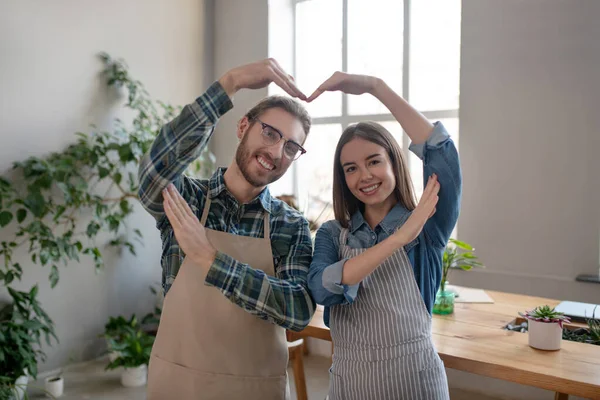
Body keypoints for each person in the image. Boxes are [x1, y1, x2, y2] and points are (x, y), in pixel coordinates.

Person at [137, 59, 316, 399]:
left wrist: (211, 260)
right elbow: (153, 173)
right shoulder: (187, 199)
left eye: (291, 147)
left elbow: (298, 310)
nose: (276, 151)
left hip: (256, 389)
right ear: (242, 126)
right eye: (269, 133)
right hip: (179, 385)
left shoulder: (289, 225)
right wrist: (230, 82)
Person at [307, 72, 461, 400]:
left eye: (373, 161)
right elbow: (322, 288)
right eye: (350, 168)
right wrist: (397, 239)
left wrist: (377, 88)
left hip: (416, 383)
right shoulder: (333, 235)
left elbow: (442, 153)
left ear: (394, 161)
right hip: (352, 384)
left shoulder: (427, 226)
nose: (364, 176)